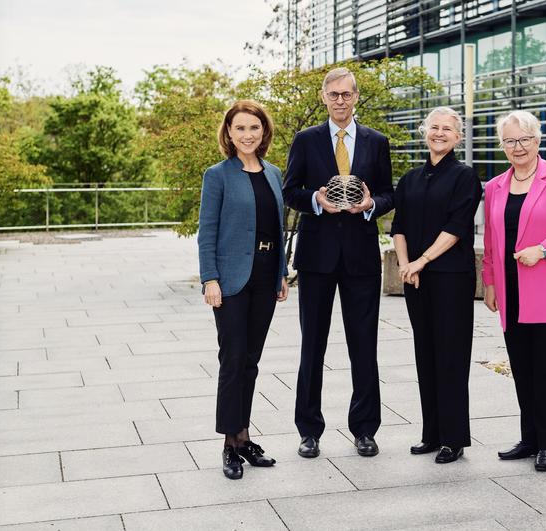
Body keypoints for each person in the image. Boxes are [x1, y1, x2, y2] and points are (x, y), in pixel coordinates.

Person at [282, 67, 394, 458]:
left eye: (347, 94)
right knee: (312, 346)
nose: (340, 101)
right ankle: (308, 430)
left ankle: (365, 429)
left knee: (364, 346)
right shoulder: (306, 140)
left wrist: (370, 206)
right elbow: (289, 191)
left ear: (356, 97)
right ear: (324, 97)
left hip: (362, 257)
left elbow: (387, 193)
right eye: (334, 95)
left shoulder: (377, 142)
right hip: (316, 257)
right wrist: (315, 200)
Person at [481, 110, 546, 472]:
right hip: (512, 293)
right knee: (522, 369)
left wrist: (543, 249)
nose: (518, 147)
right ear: (502, 146)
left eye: (524, 139)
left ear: (537, 140)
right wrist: (491, 282)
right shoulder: (495, 187)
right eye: (510, 141)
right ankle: (529, 440)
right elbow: (493, 241)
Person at [198, 100, 289, 479]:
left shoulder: (273, 172)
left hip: (266, 277)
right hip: (232, 280)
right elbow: (208, 231)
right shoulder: (217, 175)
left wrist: (282, 273)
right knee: (232, 360)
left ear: (263, 132)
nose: (248, 135)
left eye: (254, 128)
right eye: (240, 128)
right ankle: (229, 446)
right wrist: (210, 278)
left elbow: (277, 228)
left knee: (251, 360)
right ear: (229, 133)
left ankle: (245, 436)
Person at [391, 107, 481, 464]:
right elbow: (398, 226)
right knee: (425, 354)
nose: (440, 133)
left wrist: (421, 260)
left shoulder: (465, 177)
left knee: (451, 356)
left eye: (448, 129)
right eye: (434, 128)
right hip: (416, 279)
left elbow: (457, 228)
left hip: (451, 280)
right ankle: (431, 433)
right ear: (424, 132)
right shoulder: (410, 178)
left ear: (458, 137)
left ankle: (453, 438)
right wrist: (404, 265)